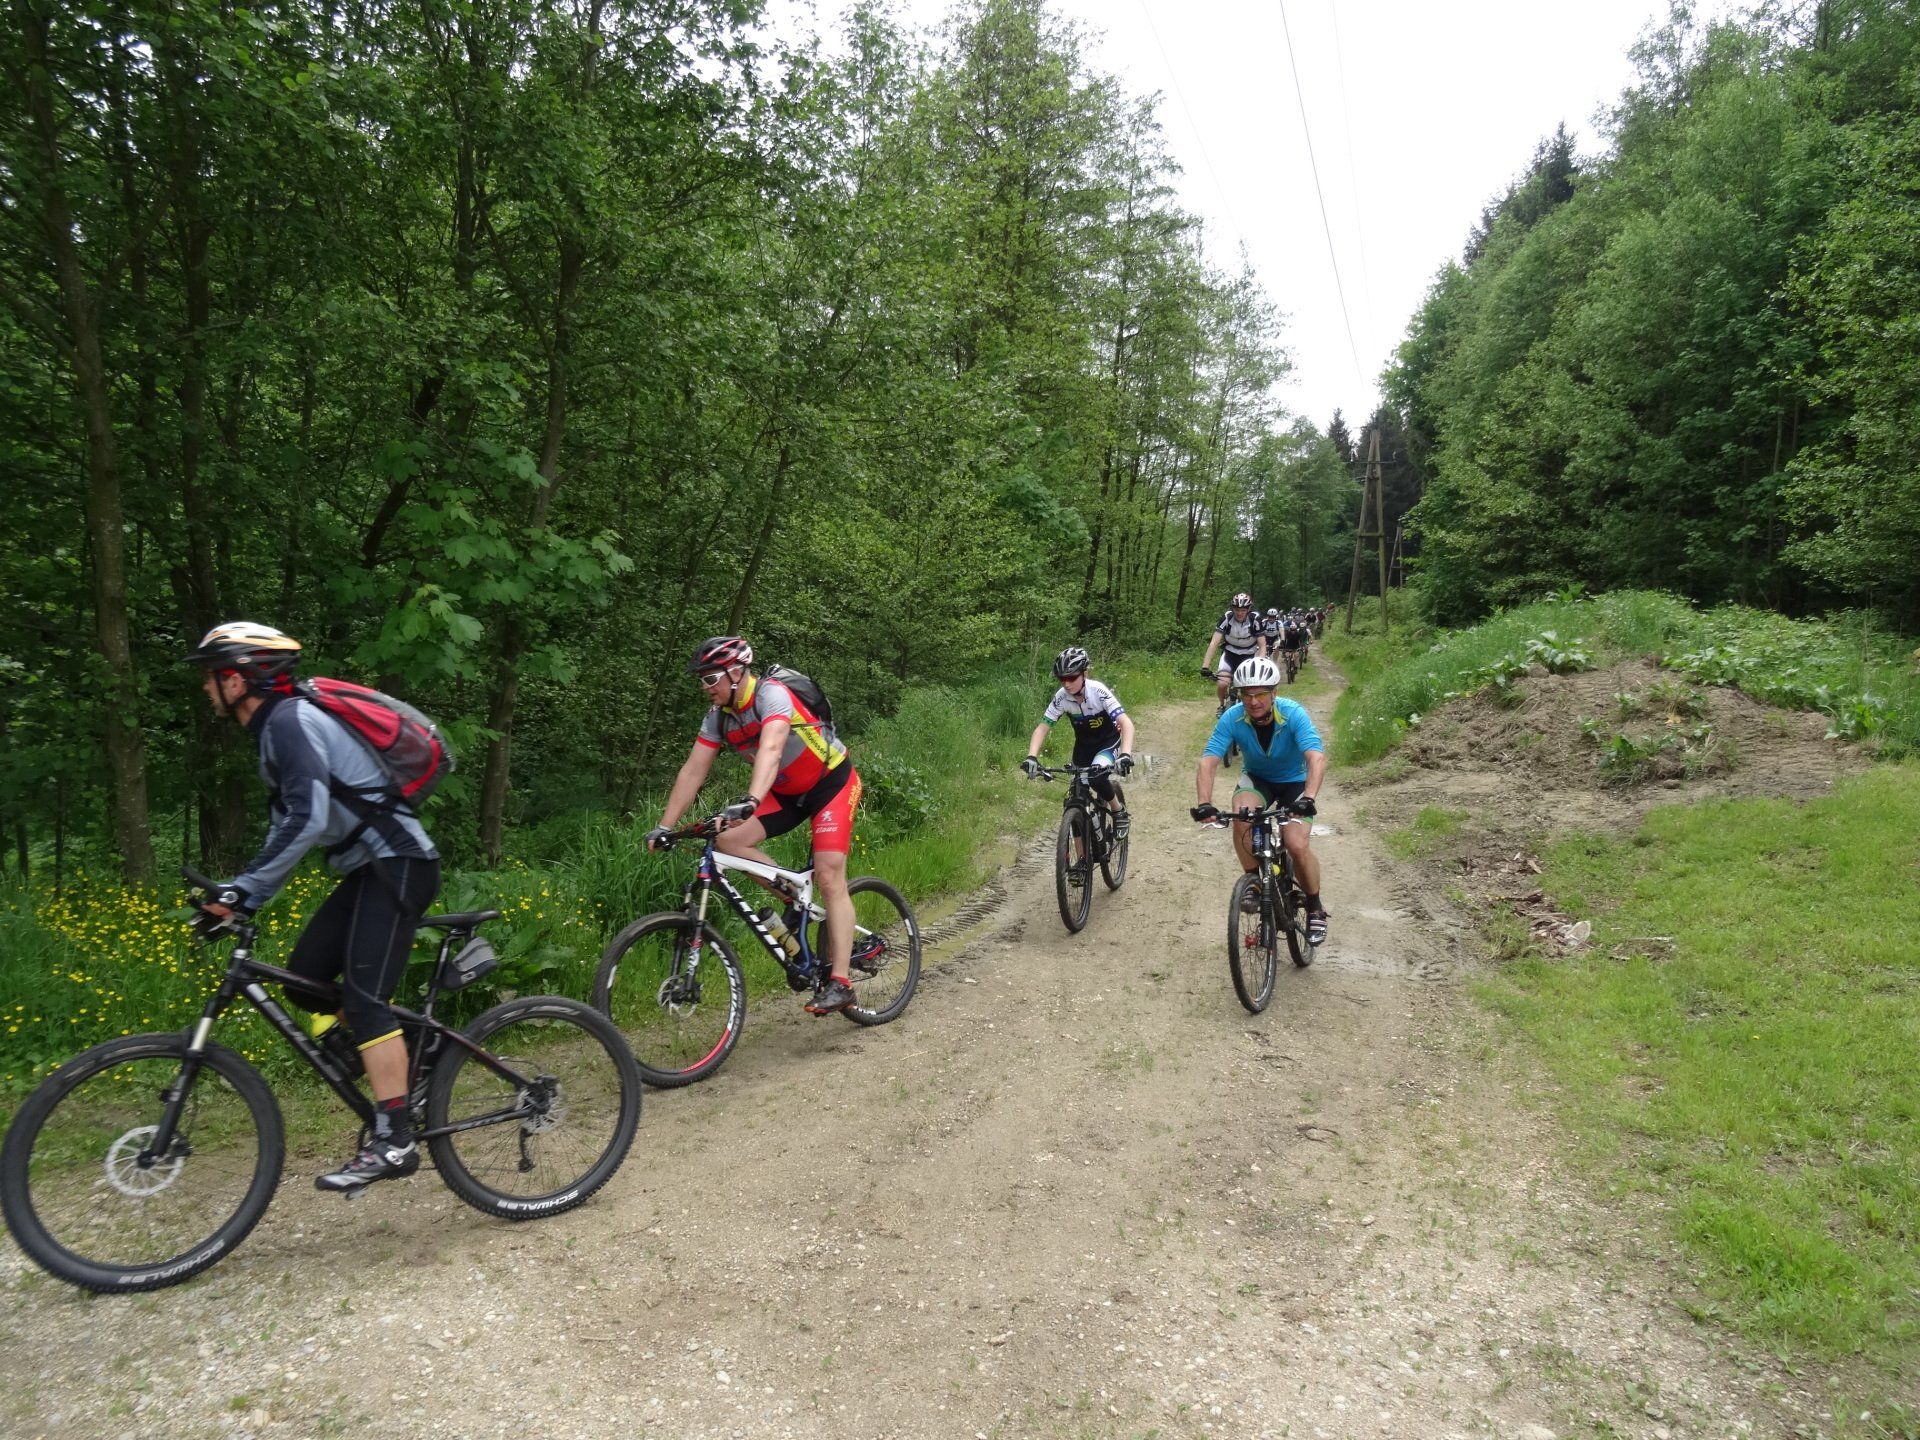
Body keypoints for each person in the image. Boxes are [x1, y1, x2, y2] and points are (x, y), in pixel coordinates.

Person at [186, 622, 442, 1193]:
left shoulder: (289, 721)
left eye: (210, 675)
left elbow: (306, 818)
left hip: (399, 864)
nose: (205, 687)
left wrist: (245, 891)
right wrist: (242, 894)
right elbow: (291, 823)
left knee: (365, 1001)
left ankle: (395, 1139)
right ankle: (414, 1051)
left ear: (238, 678)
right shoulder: (275, 730)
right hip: (372, 869)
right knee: (304, 981)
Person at [649, 637, 863, 1016]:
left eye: (711, 678)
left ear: (736, 673)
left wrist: (750, 800)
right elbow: (693, 770)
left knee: (830, 876)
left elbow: (772, 750)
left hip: (830, 783)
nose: (705, 687)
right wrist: (664, 826)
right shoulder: (718, 717)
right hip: (786, 793)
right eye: (702, 679)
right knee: (727, 841)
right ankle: (794, 899)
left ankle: (841, 983)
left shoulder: (771, 696)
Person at [1190, 655, 1330, 944]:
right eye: (1247, 695)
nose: (1253, 702)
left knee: (1296, 844)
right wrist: (1204, 803)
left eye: (1261, 694)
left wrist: (1309, 797)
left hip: (1295, 782)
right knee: (1241, 817)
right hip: (1258, 780)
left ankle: (1314, 905)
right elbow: (1209, 760)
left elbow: (1315, 757)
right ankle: (1254, 881)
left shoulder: (1293, 714)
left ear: (1274, 693)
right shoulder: (1233, 717)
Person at [1020, 646, 1136, 827]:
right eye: (1062, 679)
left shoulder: (1098, 691)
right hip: (1083, 746)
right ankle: (1079, 844)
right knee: (1075, 797)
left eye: (1072, 678)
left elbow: (1126, 724)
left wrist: (1125, 755)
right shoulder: (1061, 698)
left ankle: (1118, 810)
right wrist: (1031, 756)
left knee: (1096, 779)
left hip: (1107, 742)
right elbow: (1042, 728)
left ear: (1085, 674)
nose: (1067, 684)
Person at [1200, 592, 1267, 712]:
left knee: (1249, 687)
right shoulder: (1227, 618)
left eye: (1243, 610)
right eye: (1236, 609)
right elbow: (1214, 643)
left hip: (1249, 656)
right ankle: (1221, 705)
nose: (1239, 613)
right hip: (1229, 655)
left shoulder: (1255, 620)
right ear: (1232, 609)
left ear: (1248, 610)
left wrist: (1259, 664)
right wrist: (1205, 666)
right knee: (1222, 684)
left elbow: (1262, 645)